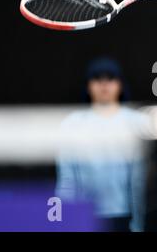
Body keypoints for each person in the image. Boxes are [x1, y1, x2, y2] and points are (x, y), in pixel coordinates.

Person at [55, 57, 151, 232]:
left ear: (120, 84)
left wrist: (139, 224)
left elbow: (141, 180)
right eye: (97, 78)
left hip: (125, 216)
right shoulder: (72, 124)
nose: (104, 84)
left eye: (110, 78)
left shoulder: (138, 122)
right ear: (88, 85)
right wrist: (64, 221)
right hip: (85, 215)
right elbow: (67, 180)